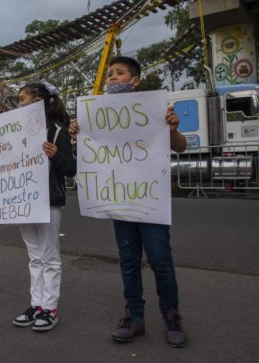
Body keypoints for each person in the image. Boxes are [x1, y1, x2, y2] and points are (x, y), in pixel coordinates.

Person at [69, 56, 188, 347]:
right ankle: (134, 316)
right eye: (109, 74)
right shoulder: (97, 115)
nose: (111, 78)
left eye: (119, 73)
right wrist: (78, 131)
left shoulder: (154, 110)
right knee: (128, 261)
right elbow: (91, 149)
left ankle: (171, 315)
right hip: (121, 202)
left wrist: (172, 127)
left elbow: (180, 147)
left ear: (135, 81)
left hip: (150, 201)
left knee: (160, 260)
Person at [0, 82, 76, 331]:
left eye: (22, 99)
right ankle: (36, 305)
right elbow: (5, 159)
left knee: (49, 257)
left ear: (38, 101)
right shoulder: (13, 130)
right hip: (23, 200)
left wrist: (55, 154)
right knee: (34, 257)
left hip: (48, 202)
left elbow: (70, 168)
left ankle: (50, 308)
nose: (19, 104)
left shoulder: (57, 130)